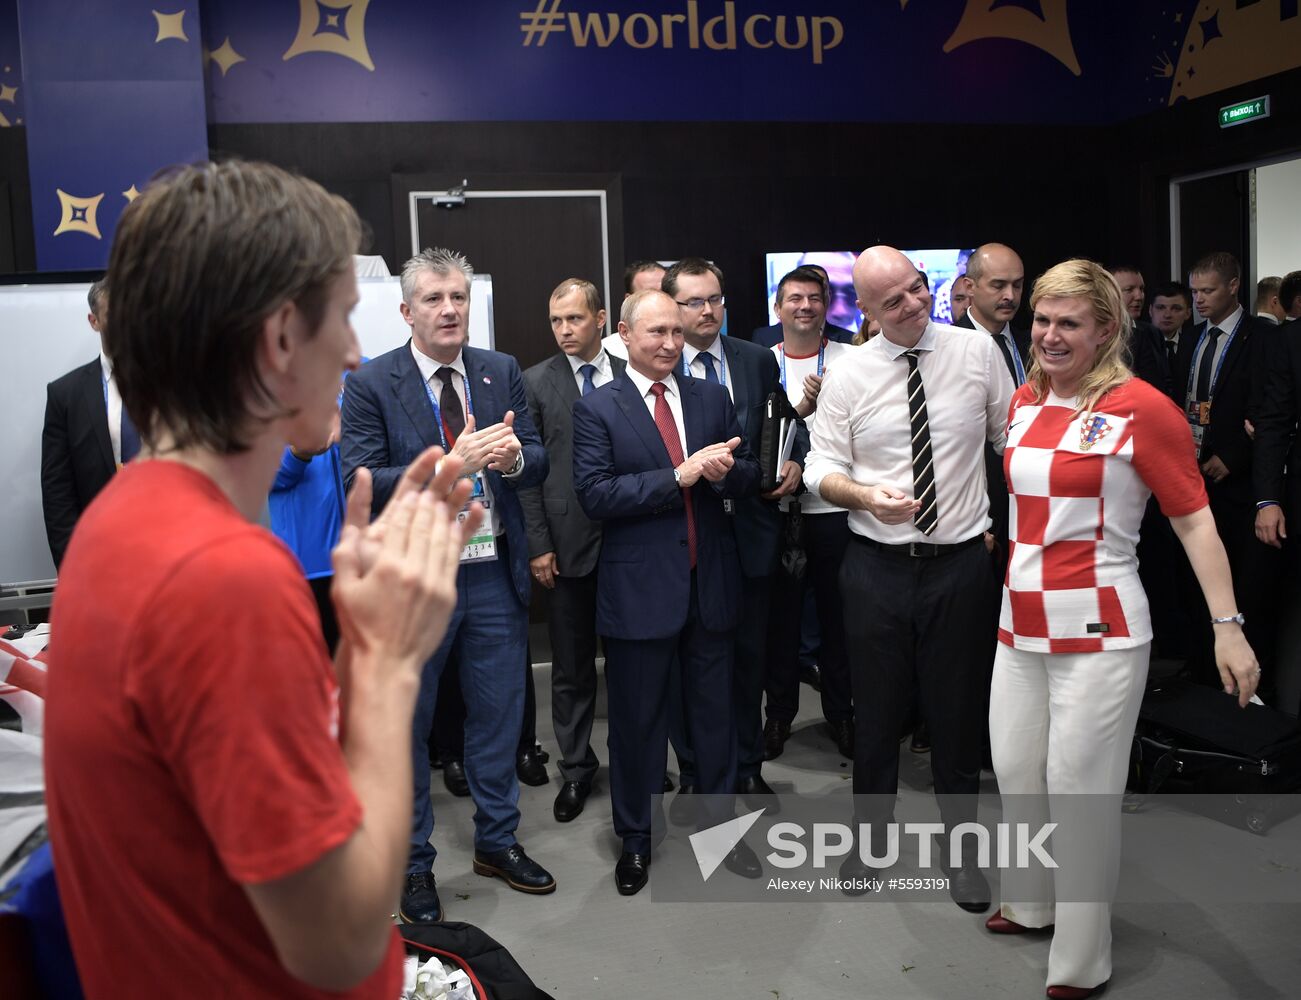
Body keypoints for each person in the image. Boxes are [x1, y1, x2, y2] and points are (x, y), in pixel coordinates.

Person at [44, 159, 479, 997]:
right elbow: (342, 943)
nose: (355, 356)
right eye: (343, 321)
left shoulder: (123, 515)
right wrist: (388, 663)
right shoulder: (223, 580)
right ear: (280, 339)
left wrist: (351, 651)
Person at [987, 258, 1258, 999]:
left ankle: (1081, 957)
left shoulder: (1144, 409)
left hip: (1100, 629)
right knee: (1015, 771)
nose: (1047, 334)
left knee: (1080, 792)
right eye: (1041, 319)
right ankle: (1031, 902)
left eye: (1067, 322)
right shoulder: (1023, 399)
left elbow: (1195, 521)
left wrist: (1225, 626)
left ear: (1106, 329)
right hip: (1018, 624)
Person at [341, 247, 555, 923]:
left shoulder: (498, 372)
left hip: (490, 575)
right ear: (406, 311)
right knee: (408, 728)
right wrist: (447, 464)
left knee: (497, 717)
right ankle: (410, 864)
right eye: (433, 299)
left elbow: (538, 459)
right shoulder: (373, 382)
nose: (449, 309)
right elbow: (361, 484)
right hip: (413, 582)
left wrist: (517, 457)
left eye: (458, 297)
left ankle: (496, 842)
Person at [804, 246, 1012, 913]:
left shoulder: (975, 353)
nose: (914, 305)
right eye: (892, 301)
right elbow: (819, 469)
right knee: (876, 713)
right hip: (875, 567)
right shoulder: (847, 373)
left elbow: (1011, 440)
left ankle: (962, 857)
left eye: (918, 289)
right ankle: (869, 845)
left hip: (958, 566)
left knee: (955, 716)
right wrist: (863, 497)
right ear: (863, 310)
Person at [572, 289, 762, 895]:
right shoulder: (599, 408)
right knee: (637, 723)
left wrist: (732, 470)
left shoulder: (711, 397)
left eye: (677, 334)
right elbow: (595, 495)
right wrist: (675, 477)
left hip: (710, 585)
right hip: (638, 594)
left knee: (715, 720)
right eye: (656, 333)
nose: (670, 345)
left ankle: (721, 833)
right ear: (624, 335)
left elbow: (752, 470)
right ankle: (636, 838)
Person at [660, 257, 803, 809]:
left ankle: (746, 765)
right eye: (694, 301)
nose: (708, 311)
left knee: (749, 660)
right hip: (684, 536)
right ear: (672, 307)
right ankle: (695, 768)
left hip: (751, 531)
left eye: (715, 299)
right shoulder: (660, 364)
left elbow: (787, 422)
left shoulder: (753, 359)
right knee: (687, 664)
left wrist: (795, 462)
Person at [521, 278, 627, 822]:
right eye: (557, 320)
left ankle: (637, 764)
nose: (564, 330)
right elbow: (529, 476)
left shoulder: (632, 373)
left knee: (634, 663)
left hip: (631, 542)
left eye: (575, 319)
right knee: (571, 667)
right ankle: (577, 769)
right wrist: (538, 543)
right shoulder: (535, 382)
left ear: (601, 319)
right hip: (564, 546)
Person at [762, 266, 855, 760]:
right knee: (781, 626)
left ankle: (842, 715)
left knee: (840, 623)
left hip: (836, 512)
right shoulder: (762, 363)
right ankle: (778, 718)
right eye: (794, 298)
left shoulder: (851, 359)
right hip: (779, 514)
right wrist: (799, 408)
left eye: (814, 298)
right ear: (778, 309)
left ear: (826, 307)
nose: (804, 306)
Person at [40, 279, 138, 570]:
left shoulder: (173, 387)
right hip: (100, 558)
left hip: (170, 551)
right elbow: (58, 492)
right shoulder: (65, 396)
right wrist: (75, 568)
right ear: (94, 321)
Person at [602, 260, 665, 360]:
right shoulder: (609, 351)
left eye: (665, 293)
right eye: (649, 294)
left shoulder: (685, 341)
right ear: (629, 299)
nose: (659, 300)